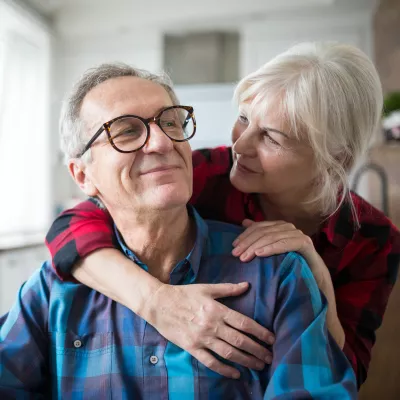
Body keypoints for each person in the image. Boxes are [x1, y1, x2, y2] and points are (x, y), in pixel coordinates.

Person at [45, 42, 400, 387]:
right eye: (243, 118)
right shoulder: (207, 173)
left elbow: (349, 371)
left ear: (334, 158)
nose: (240, 145)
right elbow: (69, 227)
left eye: (271, 138)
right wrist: (155, 302)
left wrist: (319, 280)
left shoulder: (373, 239)